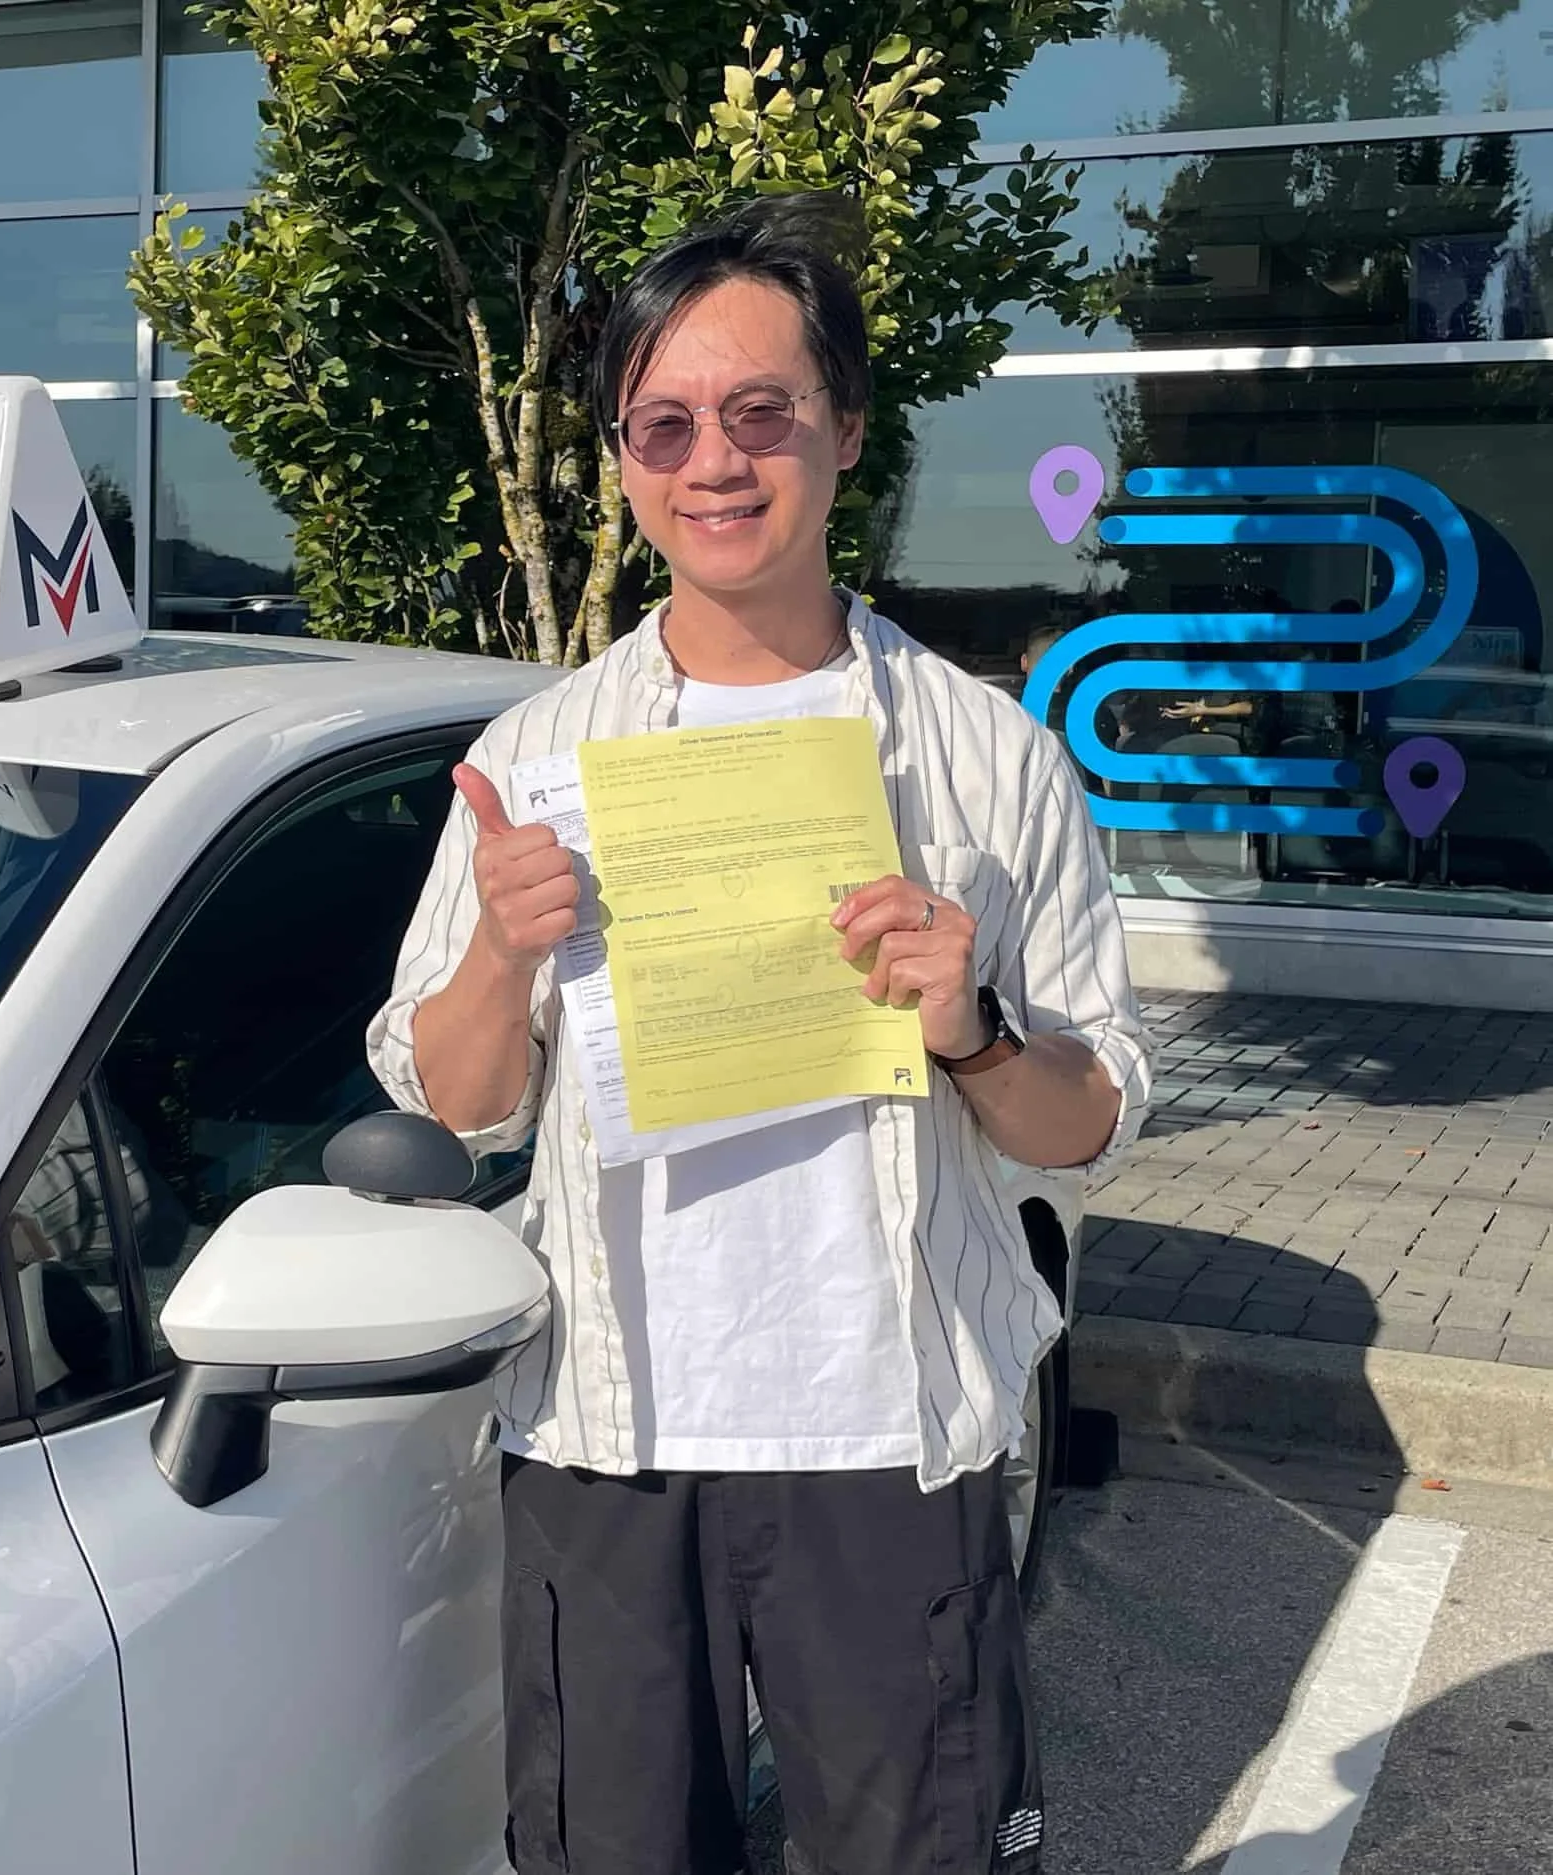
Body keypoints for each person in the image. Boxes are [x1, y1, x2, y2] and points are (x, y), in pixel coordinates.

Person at [368, 195, 1154, 1875]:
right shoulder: (540, 752)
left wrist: (973, 1028)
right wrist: (504, 954)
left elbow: (1089, 1118)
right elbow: (459, 1102)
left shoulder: (988, 760)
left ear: (844, 432)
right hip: (606, 1444)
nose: (713, 461)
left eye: (761, 413)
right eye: (664, 424)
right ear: (625, 463)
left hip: (888, 1444)